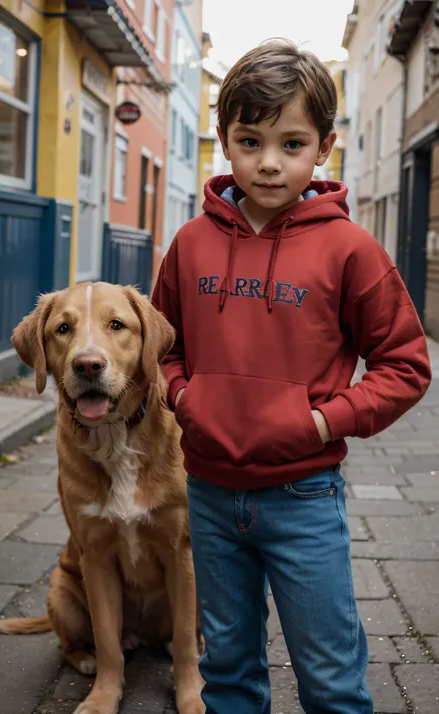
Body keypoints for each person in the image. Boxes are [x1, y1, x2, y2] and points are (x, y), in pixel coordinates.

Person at [151, 39, 431, 714]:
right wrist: (185, 397)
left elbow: (405, 365)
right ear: (224, 140)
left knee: (331, 678)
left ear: (324, 146)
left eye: (292, 143)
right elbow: (160, 346)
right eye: (250, 141)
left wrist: (321, 421)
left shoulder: (350, 250)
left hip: (303, 497)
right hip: (211, 493)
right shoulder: (191, 243)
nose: (269, 162)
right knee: (230, 672)